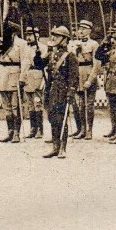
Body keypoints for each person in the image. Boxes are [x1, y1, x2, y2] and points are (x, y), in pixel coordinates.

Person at [43, 26, 78, 159]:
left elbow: (74, 77)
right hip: (51, 89)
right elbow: (40, 64)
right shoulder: (52, 54)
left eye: (57, 36)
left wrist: (70, 92)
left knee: (60, 118)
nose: (54, 39)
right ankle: (55, 147)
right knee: (52, 118)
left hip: (62, 91)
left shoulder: (70, 56)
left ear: (64, 39)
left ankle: (63, 147)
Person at [0, 22, 27, 143]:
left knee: (16, 106)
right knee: (7, 107)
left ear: (13, 33)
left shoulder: (21, 44)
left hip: (15, 76)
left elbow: (25, 61)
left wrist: (22, 78)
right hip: (3, 76)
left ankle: (17, 133)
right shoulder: (3, 44)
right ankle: (10, 132)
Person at [69, 19, 100, 140]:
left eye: (84, 29)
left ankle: (89, 130)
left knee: (89, 105)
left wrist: (90, 79)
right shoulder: (73, 43)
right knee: (78, 105)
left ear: (89, 31)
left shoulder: (94, 44)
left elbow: (96, 64)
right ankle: (81, 129)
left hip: (88, 73)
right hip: (77, 75)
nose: (80, 31)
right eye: (79, 29)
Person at [21, 27, 47, 139]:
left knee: (38, 104)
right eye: (27, 35)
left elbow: (44, 65)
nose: (28, 37)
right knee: (30, 105)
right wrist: (22, 78)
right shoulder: (25, 48)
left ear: (37, 35)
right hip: (28, 76)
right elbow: (24, 64)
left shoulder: (43, 48)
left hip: (38, 76)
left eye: (31, 34)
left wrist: (43, 82)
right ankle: (33, 129)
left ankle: (40, 130)